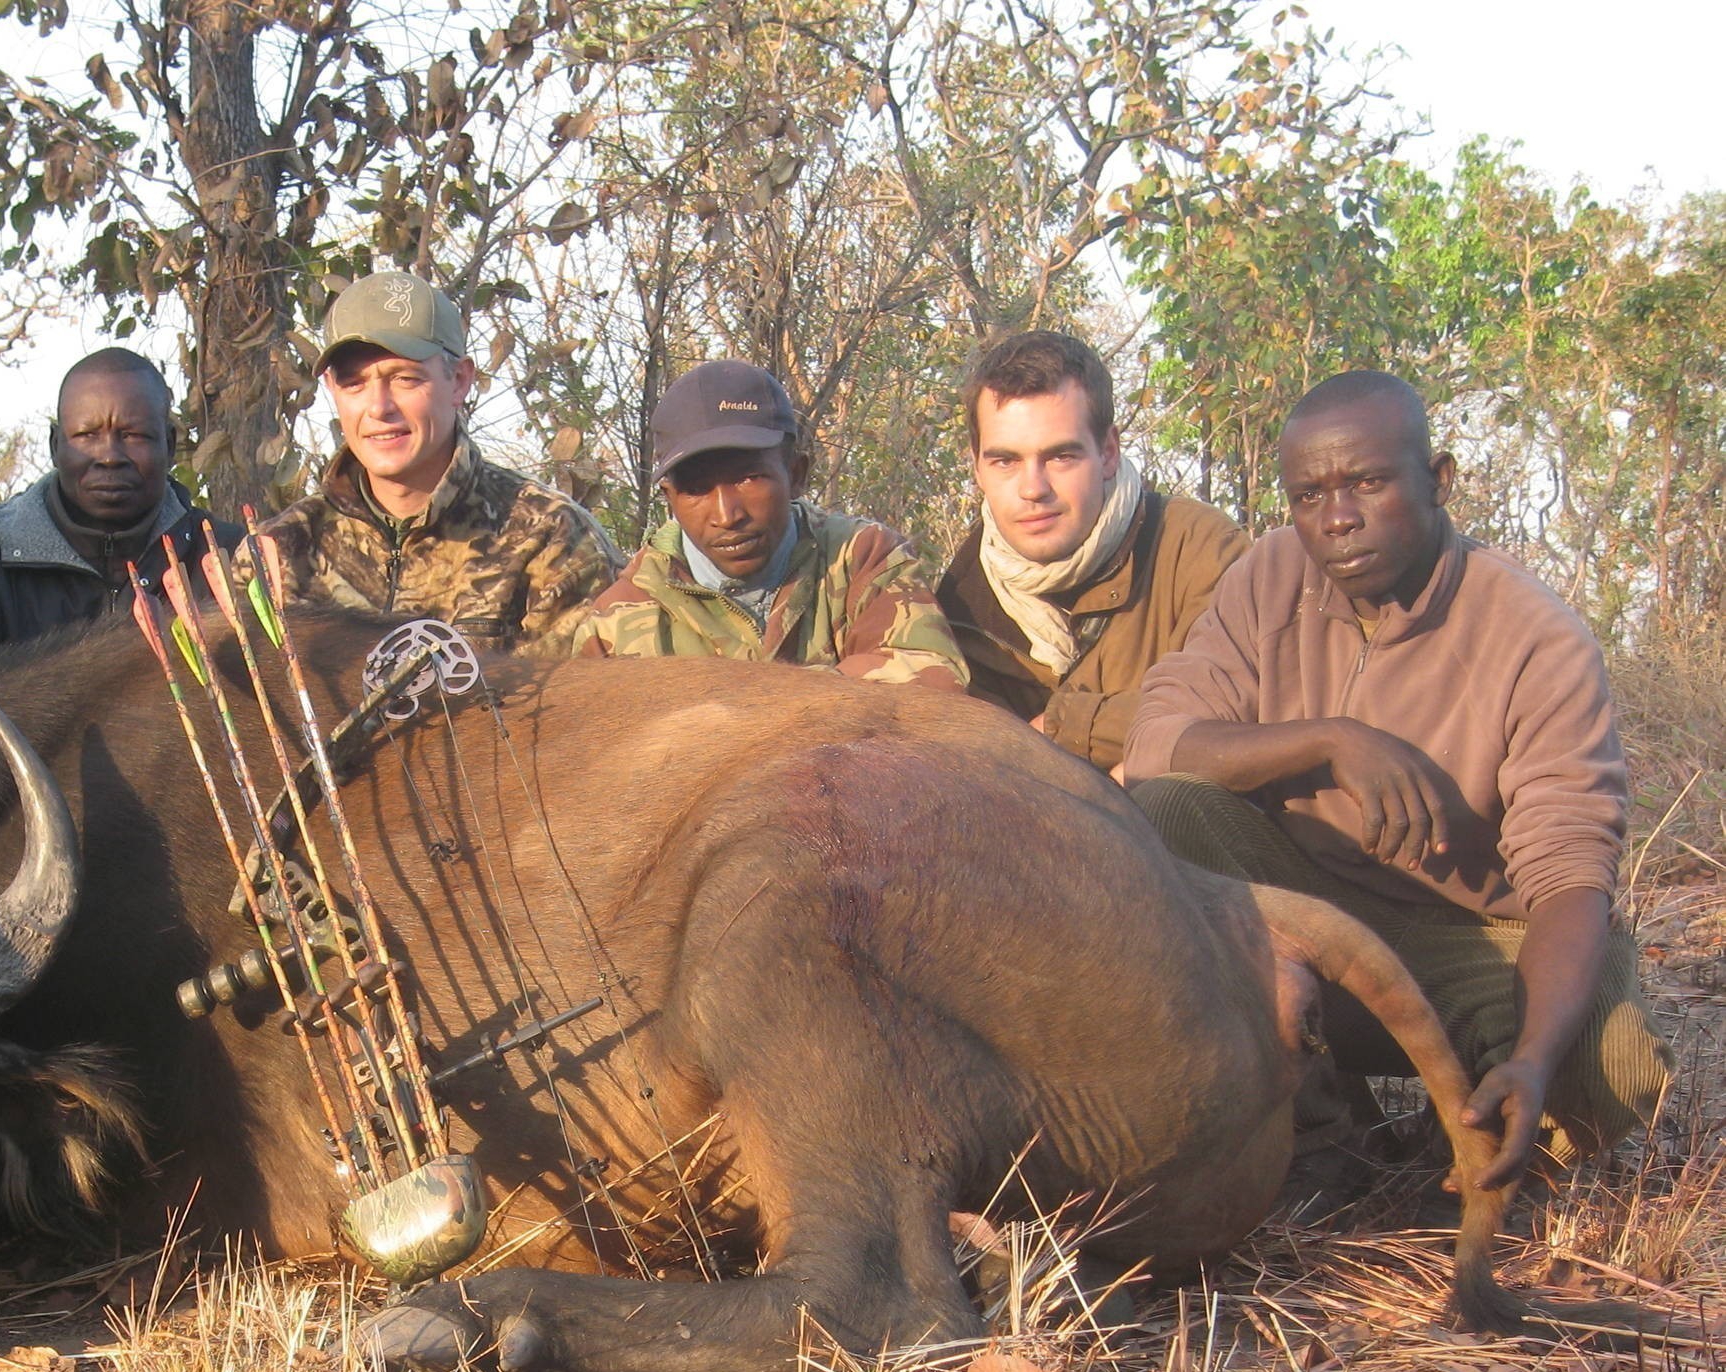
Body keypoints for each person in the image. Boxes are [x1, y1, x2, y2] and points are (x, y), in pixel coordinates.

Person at [1123, 370, 1671, 1184]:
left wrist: (1532, 1057)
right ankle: (1322, 1126)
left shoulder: (1536, 636)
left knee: (1612, 1063)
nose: (1337, 519)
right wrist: (1331, 739)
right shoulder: (1267, 578)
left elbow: (1570, 876)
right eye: (1309, 496)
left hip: (1467, 943)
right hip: (1300, 927)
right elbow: (1159, 741)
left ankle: (1464, 1146)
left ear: (1439, 480)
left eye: (1367, 483)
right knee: (1168, 811)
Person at [252, 271, 617, 648]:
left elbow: (590, 698)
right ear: (332, 390)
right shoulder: (277, 552)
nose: (379, 408)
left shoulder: (551, 537)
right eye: (355, 384)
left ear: (459, 381)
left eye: (405, 379)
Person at [936, 330, 1245, 770]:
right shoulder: (955, 604)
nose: (1033, 489)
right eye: (1005, 461)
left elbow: (1234, 711)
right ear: (977, 467)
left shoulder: (1199, 550)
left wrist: (1061, 727)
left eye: (1061, 457)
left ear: (1109, 452)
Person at [561, 361, 967, 687]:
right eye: (697, 490)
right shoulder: (616, 623)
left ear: (796, 473)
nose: (727, 515)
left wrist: (740, 709)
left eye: (747, 478)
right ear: (669, 499)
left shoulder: (863, 559)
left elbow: (932, 678)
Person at [0, 348, 232, 676]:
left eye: (133, 435)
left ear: (170, 445)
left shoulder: (224, 561)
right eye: (87, 436)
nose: (110, 456)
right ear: (55, 445)